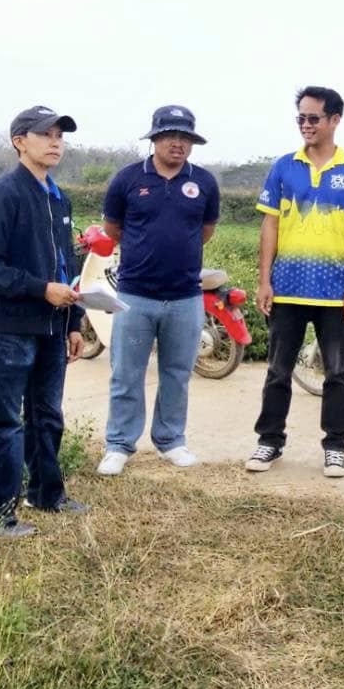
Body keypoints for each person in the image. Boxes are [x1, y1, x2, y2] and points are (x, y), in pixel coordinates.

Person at [0, 105, 91, 538]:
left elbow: (67, 266)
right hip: (8, 329)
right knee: (4, 422)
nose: (56, 142)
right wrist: (41, 290)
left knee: (46, 415)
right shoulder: (2, 194)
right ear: (19, 141)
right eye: (45, 134)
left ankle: (46, 493)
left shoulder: (58, 199)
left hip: (53, 327)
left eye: (60, 135)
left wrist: (74, 320)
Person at [247, 86, 344, 478]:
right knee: (278, 370)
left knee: (337, 372)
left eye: (313, 118)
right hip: (286, 288)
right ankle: (269, 441)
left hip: (335, 292)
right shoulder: (283, 166)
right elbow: (270, 225)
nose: (306, 125)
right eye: (301, 118)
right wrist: (264, 280)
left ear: (335, 120)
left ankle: (335, 447)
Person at [96, 105, 222, 476]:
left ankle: (171, 440)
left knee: (177, 374)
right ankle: (119, 445)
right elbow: (113, 228)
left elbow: (205, 232)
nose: (177, 144)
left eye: (185, 138)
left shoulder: (204, 182)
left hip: (185, 296)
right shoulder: (128, 178)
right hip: (135, 294)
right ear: (154, 138)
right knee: (126, 374)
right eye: (170, 136)